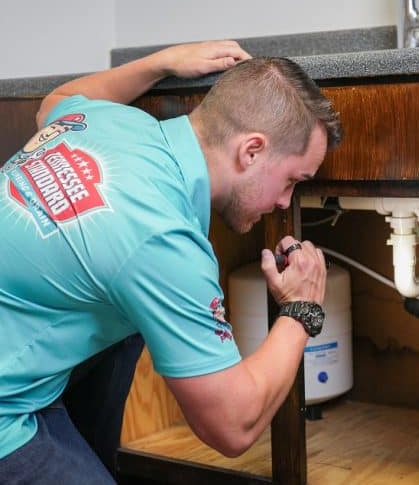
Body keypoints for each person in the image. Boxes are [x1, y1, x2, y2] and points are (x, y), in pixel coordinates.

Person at [0, 39, 342, 484]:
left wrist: (160, 63)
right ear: (251, 150)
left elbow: (55, 101)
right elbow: (232, 427)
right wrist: (301, 310)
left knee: (126, 318)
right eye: (292, 180)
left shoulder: (110, 121)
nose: (284, 202)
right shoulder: (163, 239)